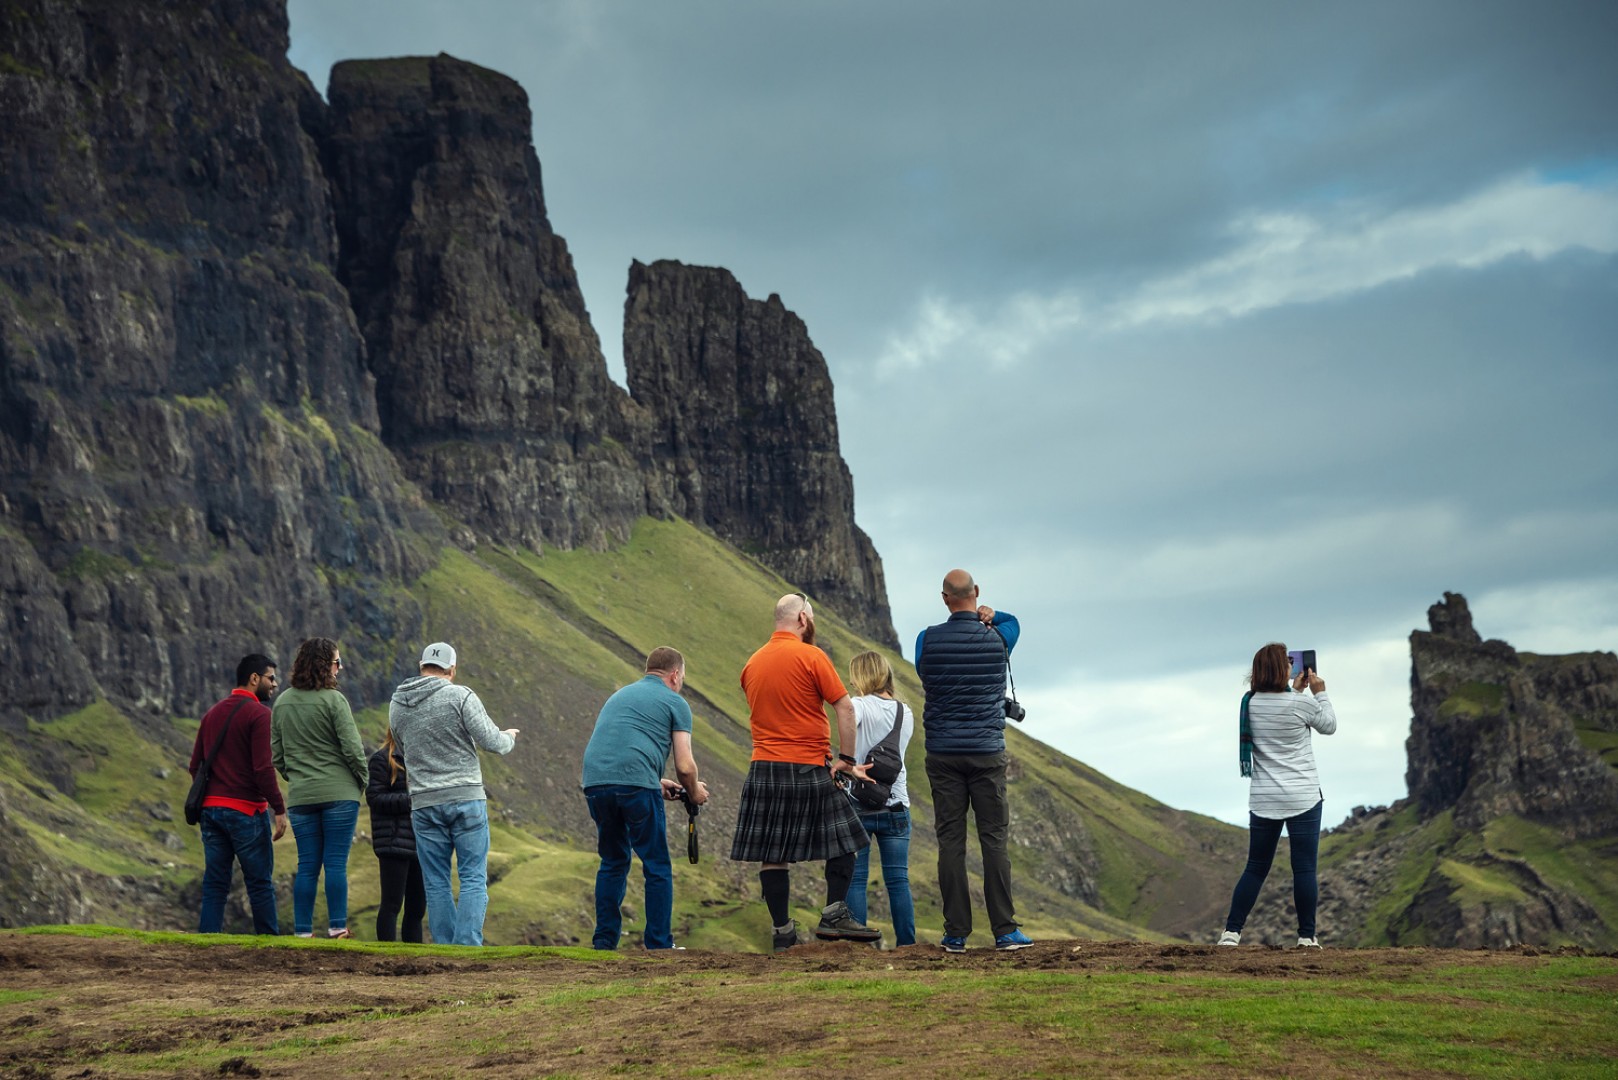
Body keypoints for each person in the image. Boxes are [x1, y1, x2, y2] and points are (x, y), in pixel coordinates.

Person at [730, 593, 880, 952]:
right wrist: (845, 758)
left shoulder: (752, 664)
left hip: (764, 766)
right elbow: (844, 707)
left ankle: (782, 931)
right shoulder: (812, 656)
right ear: (801, 620)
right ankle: (833, 915)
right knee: (848, 838)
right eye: (811, 618)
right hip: (807, 764)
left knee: (772, 852)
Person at [914, 569, 1032, 952]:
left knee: (951, 842)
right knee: (994, 839)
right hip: (986, 752)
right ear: (975, 592)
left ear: (944, 598)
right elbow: (1013, 622)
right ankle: (1005, 930)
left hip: (943, 753)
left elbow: (923, 672)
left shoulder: (926, 640)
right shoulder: (998, 637)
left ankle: (955, 934)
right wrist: (991, 613)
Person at [388, 641, 518, 946]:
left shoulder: (397, 703)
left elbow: (403, 750)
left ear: (422, 666)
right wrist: (509, 738)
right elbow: (491, 741)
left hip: (424, 802)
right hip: (465, 797)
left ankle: (445, 950)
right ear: (452, 669)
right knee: (473, 875)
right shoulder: (460, 695)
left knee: (436, 881)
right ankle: (467, 946)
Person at [580, 647, 710, 951]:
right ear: (675, 674)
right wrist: (694, 792)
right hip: (635, 786)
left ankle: (604, 944)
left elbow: (620, 745)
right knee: (656, 865)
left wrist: (655, 782)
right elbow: (685, 766)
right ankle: (659, 945)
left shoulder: (621, 695)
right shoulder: (675, 702)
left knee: (613, 861)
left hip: (596, 783)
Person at [1218, 643, 1337, 949]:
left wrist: (1296, 693)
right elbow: (1329, 726)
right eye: (1287, 663)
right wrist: (1319, 692)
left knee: (1256, 867)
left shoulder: (1250, 704)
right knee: (1305, 869)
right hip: (1303, 796)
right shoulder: (1301, 705)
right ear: (1279, 669)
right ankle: (1307, 937)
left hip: (1265, 797)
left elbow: (1280, 711)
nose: (1292, 668)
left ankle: (1231, 933)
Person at [271, 637, 367, 939]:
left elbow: (278, 756)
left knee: (307, 865)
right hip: (340, 794)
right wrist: (361, 780)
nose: (340, 669)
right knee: (336, 863)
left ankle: (302, 932)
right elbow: (352, 749)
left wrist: (298, 777)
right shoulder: (334, 700)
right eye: (337, 662)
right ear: (326, 665)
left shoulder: (282, 702)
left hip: (302, 796)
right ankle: (338, 927)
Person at [190, 653, 287, 935]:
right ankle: (269, 945)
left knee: (215, 883)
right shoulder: (259, 714)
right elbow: (263, 769)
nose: (275, 684)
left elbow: (194, 765)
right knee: (259, 883)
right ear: (254, 678)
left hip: (211, 811)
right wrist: (279, 808)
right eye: (271, 678)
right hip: (246, 811)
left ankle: (207, 942)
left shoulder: (212, 714)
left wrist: (214, 793)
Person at [843, 650, 916, 947]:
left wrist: (848, 765)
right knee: (898, 880)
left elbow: (847, 723)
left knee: (856, 879)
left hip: (859, 803)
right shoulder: (905, 711)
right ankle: (908, 946)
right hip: (896, 802)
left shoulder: (857, 706)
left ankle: (859, 949)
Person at [367, 729, 425, 943]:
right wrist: (412, 799)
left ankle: (415, 960)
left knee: (417, 908)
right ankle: (387, 957)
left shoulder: (422, 759)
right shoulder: (382, 759)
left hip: (419, 843)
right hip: (393, 842)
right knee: (391, 904)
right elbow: (374, 798)